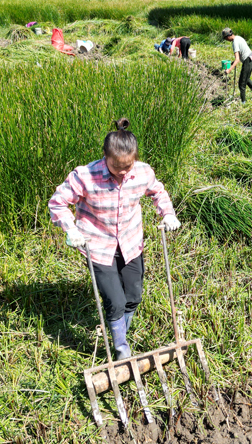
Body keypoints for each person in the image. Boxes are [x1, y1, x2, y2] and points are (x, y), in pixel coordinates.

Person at [48, 118, 181, 361]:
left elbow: (158, 192)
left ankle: (122, 332)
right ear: (104, 157)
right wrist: (71, 229)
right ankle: (121, 350)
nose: (122, 172)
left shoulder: (143, 172)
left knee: (133, 296)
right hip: (97, 245)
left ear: (135, 158)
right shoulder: (86, 175)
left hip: (130, 242)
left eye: (127, 166)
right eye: (116, 166)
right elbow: (57, 202)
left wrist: (168, 213)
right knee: (116, 302)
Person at [222, 27, 252, 104]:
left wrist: (229, 70)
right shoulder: (238, 37)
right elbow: (242, 52)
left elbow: (237, 59)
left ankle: (243, 102)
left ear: (228, 37)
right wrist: (233, 62)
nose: (226, 40)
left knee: (241, 83)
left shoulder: (234, 43)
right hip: (251, 58)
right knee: (246, 78)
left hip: (247, 60)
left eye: (225, 38)